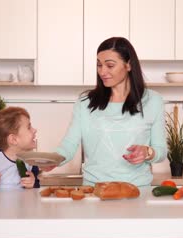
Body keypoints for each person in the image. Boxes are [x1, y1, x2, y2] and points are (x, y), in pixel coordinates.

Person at [54, 36, 167, 186]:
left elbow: (161, 151)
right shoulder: (85, 102)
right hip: (94, 191)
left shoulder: (153, 101)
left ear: (128, 65)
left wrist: (147, 152)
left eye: (110, 65)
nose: (102, 72)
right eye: (99, 65)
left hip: (137, 191)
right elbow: (69, 144)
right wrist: (53, 160)